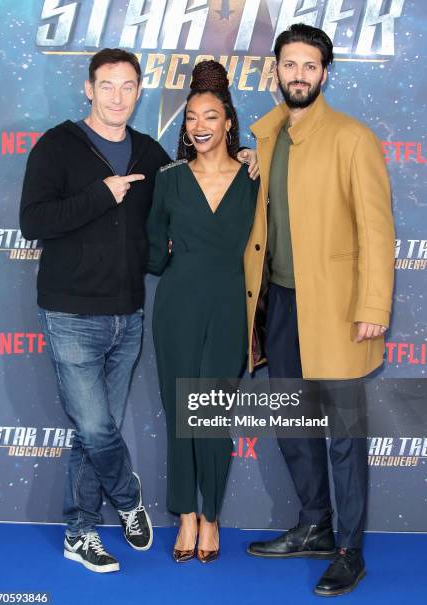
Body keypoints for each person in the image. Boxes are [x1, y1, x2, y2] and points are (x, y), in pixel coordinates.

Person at [20, 48, 258, 573]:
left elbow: (182, 215)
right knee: (97, 426)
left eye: (128, 86)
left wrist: (248, 155)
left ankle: (89, 529)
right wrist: (101, 195)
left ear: (139, 91)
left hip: (131, 315)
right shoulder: (58, 146)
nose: (117, 96)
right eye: (107, 85)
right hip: (73, 312)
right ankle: (135, 501)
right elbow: (34, 221)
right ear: (89, 88)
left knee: (112, 429)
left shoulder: (155, 157)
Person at [244, 24, 395, 596]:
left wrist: (373, 304)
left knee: (344, 435)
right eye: (290, 65)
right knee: (291, 422)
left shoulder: (353, 138)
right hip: (278, 303)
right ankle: (314, 525)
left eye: (310, 66)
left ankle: (350, 549)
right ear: (276, 71)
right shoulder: (268, 138)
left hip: (336, 307)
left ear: (324, 74)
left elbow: (378, 233)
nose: (299, 75)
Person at [147, 60, 259, 563]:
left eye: (210, 117)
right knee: (178, 414)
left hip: (230, 305)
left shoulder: (254, 177)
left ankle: (211, 516)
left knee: (211, 413)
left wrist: (260, 156)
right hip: (177, 305)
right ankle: (185, 517)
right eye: (191, 118)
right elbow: (152, 252)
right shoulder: (169, 179)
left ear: (228, 121)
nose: (199, 127)